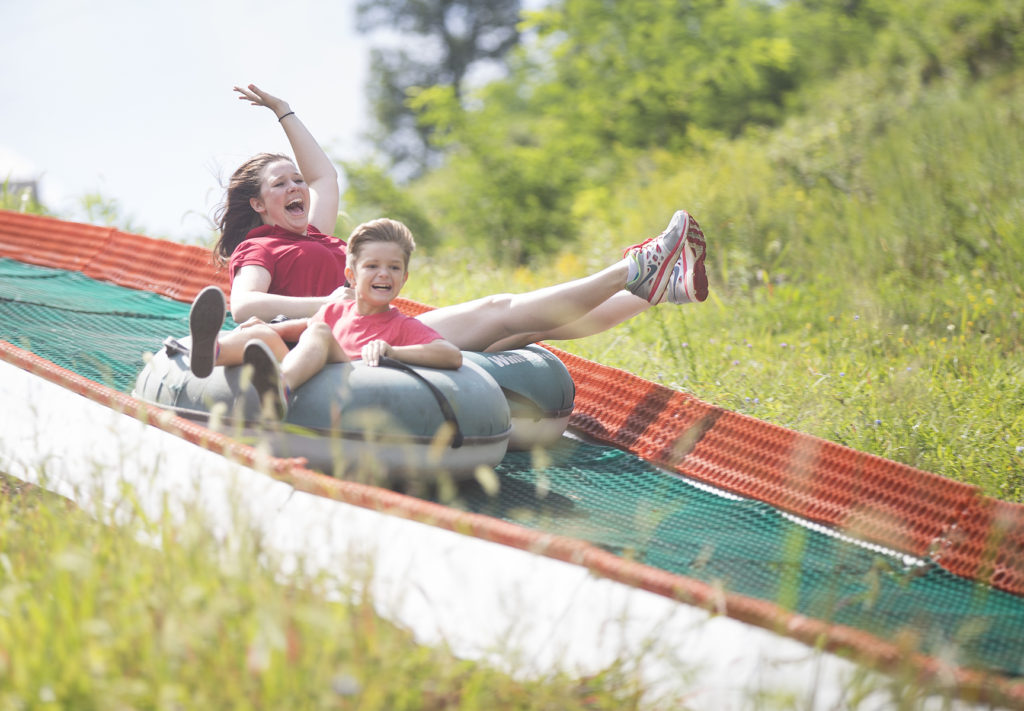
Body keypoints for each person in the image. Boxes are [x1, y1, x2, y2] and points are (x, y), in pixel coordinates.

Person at [212, 83, 708, 357]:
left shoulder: (314, 232)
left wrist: (285, 111)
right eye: (280, 185)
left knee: (526, 329)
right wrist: (333, 299)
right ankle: (637, 268)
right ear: (258, 205)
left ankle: (661, 288)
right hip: (349, 339)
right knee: (498, 308)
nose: (297, 188)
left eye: (295, 180)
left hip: (377, 326)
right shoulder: (261, 246)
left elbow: (325, 177)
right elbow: (245, 304)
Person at [189, 217, 462, 418]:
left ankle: (280, 388)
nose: (384, 274)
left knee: (318, 333)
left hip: (348, 378)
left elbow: (451, 355)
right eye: (372, 266)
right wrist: (262, 328)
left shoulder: (402, 325)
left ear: (404, 278)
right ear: (351, 277)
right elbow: (299, 328)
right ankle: (212, 352)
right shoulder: (334, 310)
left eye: (394, 268)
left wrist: (394, 351)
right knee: (267, 334)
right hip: (311, 369)